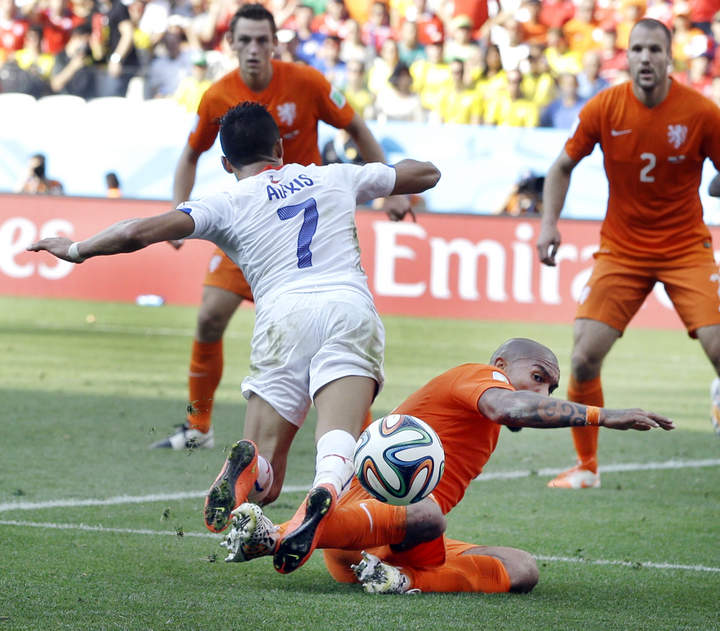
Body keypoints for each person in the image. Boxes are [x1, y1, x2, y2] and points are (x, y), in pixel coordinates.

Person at [27, 100, 441, 575]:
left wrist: (76, 249)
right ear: (280, 148)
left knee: (267, 475)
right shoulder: (334, 176)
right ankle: (326, 487)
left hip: (282, 318)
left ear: (226, 163)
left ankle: (251, 467)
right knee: (337, 437)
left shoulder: (223, 203)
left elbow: (137, 231)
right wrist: (387, 180)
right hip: (347, 308)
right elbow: (425, 174)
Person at [219, 337, 674, 591]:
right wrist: (602, 415)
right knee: (428, 512)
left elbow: (515, 410)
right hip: (361, 524)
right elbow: (511, 407)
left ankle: (399, 579)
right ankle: (273, 536)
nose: (542, 394)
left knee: (521, 568)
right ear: (501, 364)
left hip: (395, 543)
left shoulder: (487, 420)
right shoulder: (482, 378)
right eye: (537, 378)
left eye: (550, 389)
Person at [160, 3, 412, 453]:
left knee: (336, 334)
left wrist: (391, 189)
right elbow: (190, 154)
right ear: (231, 43)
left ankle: (358, 442)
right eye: (245, 40)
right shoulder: (217, 96)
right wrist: (180, 212)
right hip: (254, 230)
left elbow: (356, 126)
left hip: (309, 229)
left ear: (275, 43)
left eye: (262, 40)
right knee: (209, 316)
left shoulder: (308, 82)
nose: (254, 49)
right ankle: (198, 426)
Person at [536, 18, 720, 489]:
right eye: (637, 49)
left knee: (719, 348)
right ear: (628, 56)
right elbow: (561, 167)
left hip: (685, 248)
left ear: (670, 57)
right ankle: (586, 467)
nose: (645, 58)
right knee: (583, 358)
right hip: (622, 251)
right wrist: (549, 224)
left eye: (655, 49)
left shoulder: (701, 112)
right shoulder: (605, 107)